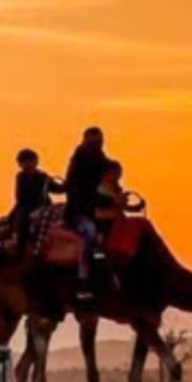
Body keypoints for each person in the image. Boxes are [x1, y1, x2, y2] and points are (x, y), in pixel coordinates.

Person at [64, 127, 111, 298]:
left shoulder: (102, 161)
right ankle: (83, 280)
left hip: (100, 211)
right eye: (93, 143)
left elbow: (108, 186)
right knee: (90, 234)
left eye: (99, 142)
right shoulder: (78, 162)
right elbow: (73, 188)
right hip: (79, 211)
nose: (96, 146)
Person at [9, 149, 65, 256]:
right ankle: (20, 252)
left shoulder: (43, 177)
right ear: (20, 164)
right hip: (27, 207)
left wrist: (67, 186)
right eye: (25, 162)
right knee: (23, 224)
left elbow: (55, 189)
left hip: (44, 206)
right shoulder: (21, 177)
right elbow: (20, 197)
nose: (29, 164)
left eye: (31, 161)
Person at [94, 160, 146, 230]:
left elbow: (122, 207)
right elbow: (96, 212)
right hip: (104, 227)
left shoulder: (115, 189)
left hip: (118, 224)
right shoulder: (98, 192)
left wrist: (135, 208)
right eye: (113, 174)